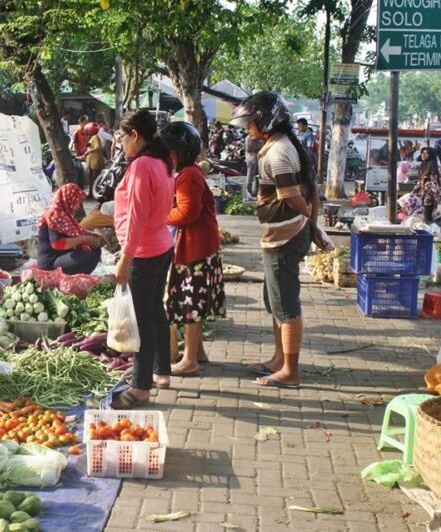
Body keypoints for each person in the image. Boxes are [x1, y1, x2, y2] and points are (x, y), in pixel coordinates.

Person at [230, 92, 324, 389]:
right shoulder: (281, 147)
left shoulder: (278, 153)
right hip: (280, 236)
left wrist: (309, 219)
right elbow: (311, 191)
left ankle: (290, 372)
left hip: (285, 237)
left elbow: (293, 197)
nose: (248, 129)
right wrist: (313, 225)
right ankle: (278, 359)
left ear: (266, 121)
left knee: (285, 305)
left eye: (251, 123)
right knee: (275, 301)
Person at [111, 109, 175, 409]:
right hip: (161, 244)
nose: (122, 143)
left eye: (123, 137)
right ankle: (162, 372)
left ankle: (140, 387)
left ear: (135, 135)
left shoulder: (141, 166)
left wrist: (125, 259)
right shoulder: (163, 163)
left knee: (141, 319)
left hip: (145, 251)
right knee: (154, 310)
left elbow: (136, 218)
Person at [159, 122, 226, 381]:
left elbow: (187, 213)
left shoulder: (189, 175)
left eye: (167, 152)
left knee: (191, 302)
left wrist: (159, 216)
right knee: (192, 300)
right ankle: (197, 352)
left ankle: (189, 361)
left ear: (178, 152)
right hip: (199, 245)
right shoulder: (189, 172)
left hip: (195, 248)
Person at [37, 183, 104, 275]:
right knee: (89, 257)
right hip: (51, 262)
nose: (77, 206)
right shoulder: (54, 214)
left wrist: (93, 235)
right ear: (68, 199)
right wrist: (83, 239)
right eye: (76, 202)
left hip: (62, 256)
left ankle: (76, 281)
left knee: (95, 248)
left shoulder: (65, 214)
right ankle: (73, 283)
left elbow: (75, 231)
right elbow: (57, 243)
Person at [412, 146, 441, 223]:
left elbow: (434, 182)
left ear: (430, 155)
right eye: (422, 153)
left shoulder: (432, 165)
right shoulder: (424, 165)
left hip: (430, 195)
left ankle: (429, 230)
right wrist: (413, 192)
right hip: (424, 194)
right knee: (426, 214)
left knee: (427, 214)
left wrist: (438, 198)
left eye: (426, 153)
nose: (423, 155)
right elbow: (420, 181)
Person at [81, 122, 106, 195]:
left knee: (94, 177)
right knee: (91, 177)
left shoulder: (95, 137)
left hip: (95, 160)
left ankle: (94, 192)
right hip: (92, 160)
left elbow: (98, 147)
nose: (85, 132)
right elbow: (89, 146)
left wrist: (87, 152)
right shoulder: (92, 137)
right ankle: (91, 192)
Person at [245, 135, 264, 199]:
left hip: (260, 159)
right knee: (250, 176)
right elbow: (248, 149)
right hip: (251, 159)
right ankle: (248, 192)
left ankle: (255, 192)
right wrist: (259, 149)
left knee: (258, 177)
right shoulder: (249, 138)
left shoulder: (260, 137)